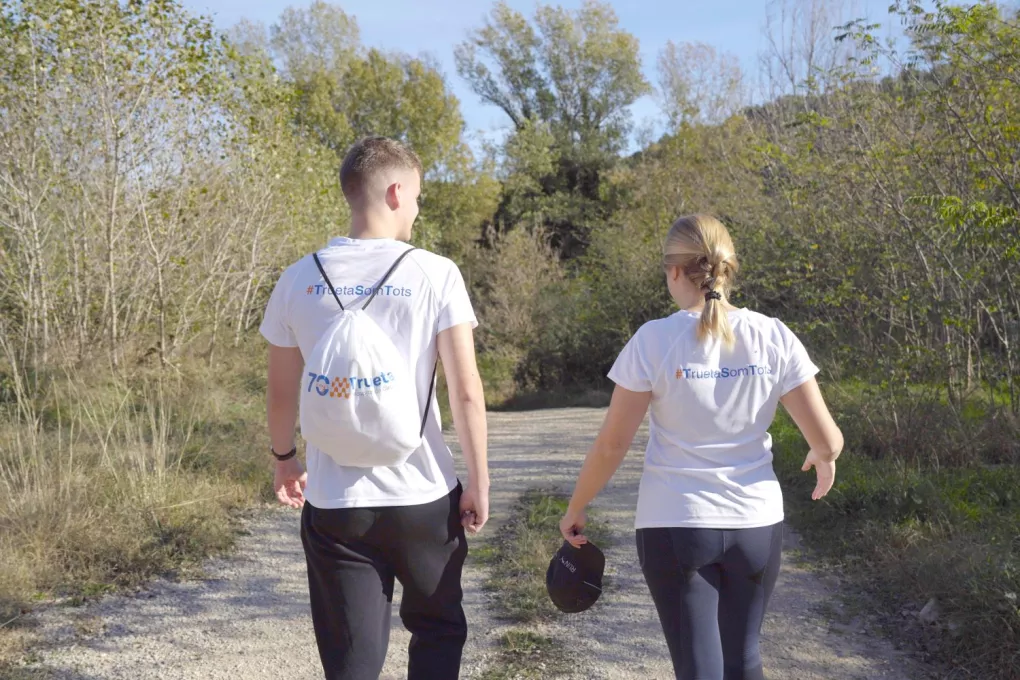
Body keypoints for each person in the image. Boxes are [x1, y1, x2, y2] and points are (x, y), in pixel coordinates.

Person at [558, 214, 843, 680]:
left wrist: (578, 505)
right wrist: (823, 457)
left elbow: (612, 444)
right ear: (727, 269)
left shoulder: (653, 339)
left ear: (674, 271)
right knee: (745, 658)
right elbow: (827, 439)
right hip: (756, 524)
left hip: (675, 524)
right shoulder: (773, 335)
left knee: (698, 668)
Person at [260, 136, 489, 680]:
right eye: (416, 196)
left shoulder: (298, 277)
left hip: (337, 502)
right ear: (394, 191)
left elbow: (279, 392)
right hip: (425, 496)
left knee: (352, 657)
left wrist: (285, 458)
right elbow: (465, 391)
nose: (417, 208)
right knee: (437, 629)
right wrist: (478, 481)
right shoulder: (436, 273)